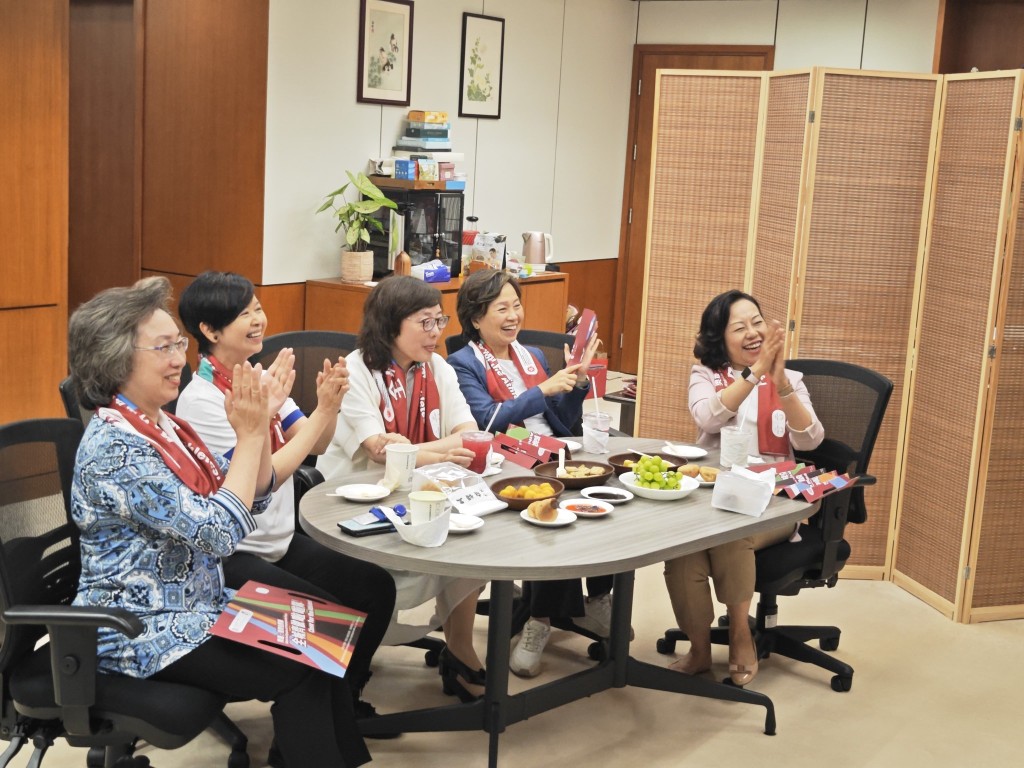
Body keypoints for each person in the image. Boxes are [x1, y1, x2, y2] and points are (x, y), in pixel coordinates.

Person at [67, 276, 370, 768]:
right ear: (114, 359)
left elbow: (237, 498)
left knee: (330, 634)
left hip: (198, 601)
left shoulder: (163, 424)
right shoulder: (116, 449)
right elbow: (221, 534)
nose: (176, 360)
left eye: (177, 344)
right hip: (144, 627)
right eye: (162, 347)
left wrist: (260, 431)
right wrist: (251, 436)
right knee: (305, 663)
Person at [175, 271, 397, 726]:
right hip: (234, 554)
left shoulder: (257, 378)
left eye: (257, 308)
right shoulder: (201, 401)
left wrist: (325, 407)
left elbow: (316, 443)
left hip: (278, 540)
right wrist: (322, 414)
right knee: (327, 623)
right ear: (210, 332)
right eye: (244, 315)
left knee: (374, 586)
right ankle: (305, 728)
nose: (258, 320)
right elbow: (267, 477)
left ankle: (343, 699)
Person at [318, 275, 487, 702]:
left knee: (474, 544)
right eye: (425, 323)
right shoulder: (356, 370)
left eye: (439, 321)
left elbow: (468, 433)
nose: (436, 333)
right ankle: (349, 671)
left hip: (420, 492)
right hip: (353, 499)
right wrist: (440, 450)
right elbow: (377, 451)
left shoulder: (439, 369)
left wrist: (416, 452)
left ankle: (461, 649)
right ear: (391, 324)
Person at [448, 269, 612, 678]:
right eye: (500, 308)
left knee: (605, 484)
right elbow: (484, 422)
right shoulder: (461, 363)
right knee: (552, 503)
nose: (512, 316)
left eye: (516, 305)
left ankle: (599, 596)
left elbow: (562, 421)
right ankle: (539, 620)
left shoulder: (532, 355)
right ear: (474, 319)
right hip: (505, 458)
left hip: (549, 451)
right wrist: (543, 390)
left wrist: (575, 384)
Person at [663, 289, 824, 686]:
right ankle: (699, 649)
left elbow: (810, 441)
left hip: (777, 502)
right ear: (721, 337)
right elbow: (708, 417)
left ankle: (739, 635)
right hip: (716, 496)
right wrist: (753, 376)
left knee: (732, 535)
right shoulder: (705, 375)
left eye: (757, 322)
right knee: (684, 551)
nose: (752, 333)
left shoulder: (792, 380)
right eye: (740, 327)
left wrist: (780, 382)